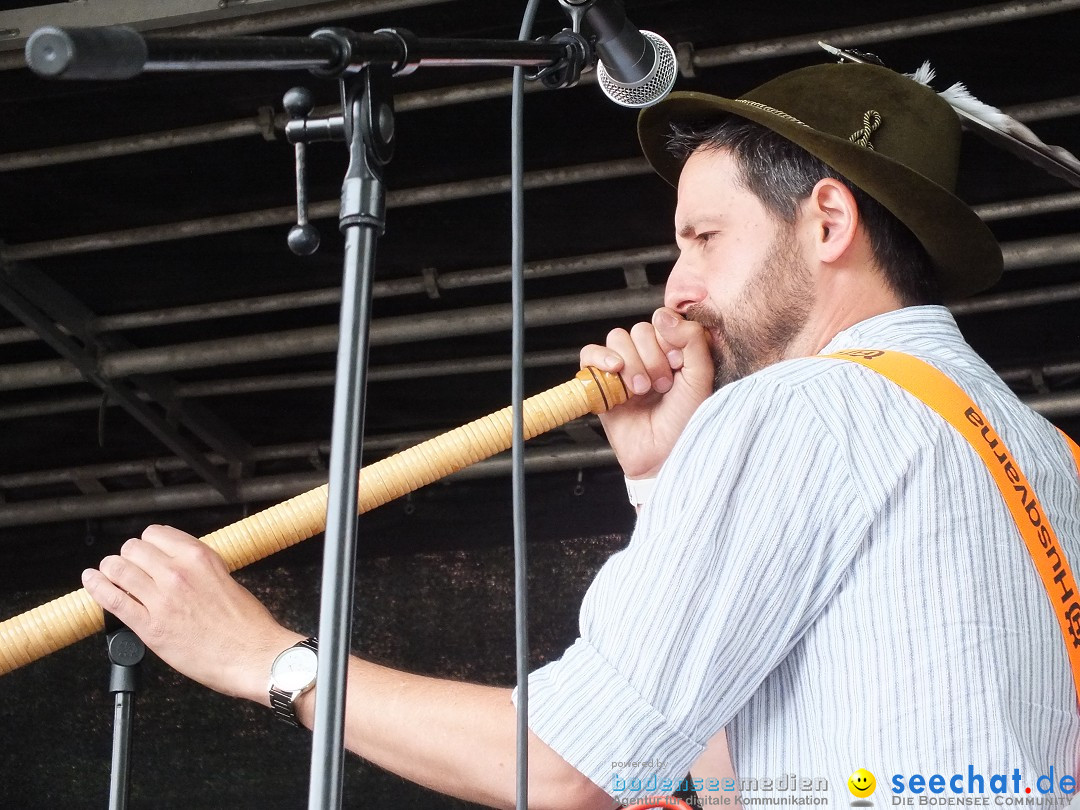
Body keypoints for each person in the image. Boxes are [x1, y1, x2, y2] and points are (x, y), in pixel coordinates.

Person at [81, 61, 1080, 809]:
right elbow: (747, 780)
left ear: (827, 223)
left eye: (704, 237)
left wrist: (266, 658)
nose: (677, 286)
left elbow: (563, 767)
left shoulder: (801, 408)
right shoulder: (1051, 459)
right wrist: (663, 483)